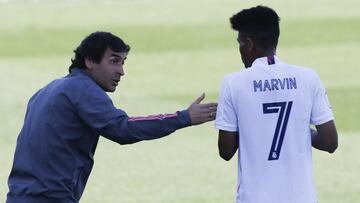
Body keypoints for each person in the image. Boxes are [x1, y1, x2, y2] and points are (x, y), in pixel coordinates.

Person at [6, 31, 217, 203]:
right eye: (114, 61)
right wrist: (183, 117)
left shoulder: (46, 90)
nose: (121, 71)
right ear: (89, 61)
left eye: (123, 62)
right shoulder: (82, 89)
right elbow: (123, 129)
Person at [215, 6, 338, 203]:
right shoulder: (308, 77)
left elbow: (226, 152)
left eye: (239, 44)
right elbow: (330, 143)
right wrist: (298, 131)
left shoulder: (233, 83)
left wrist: (243, 120)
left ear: (248, 44)